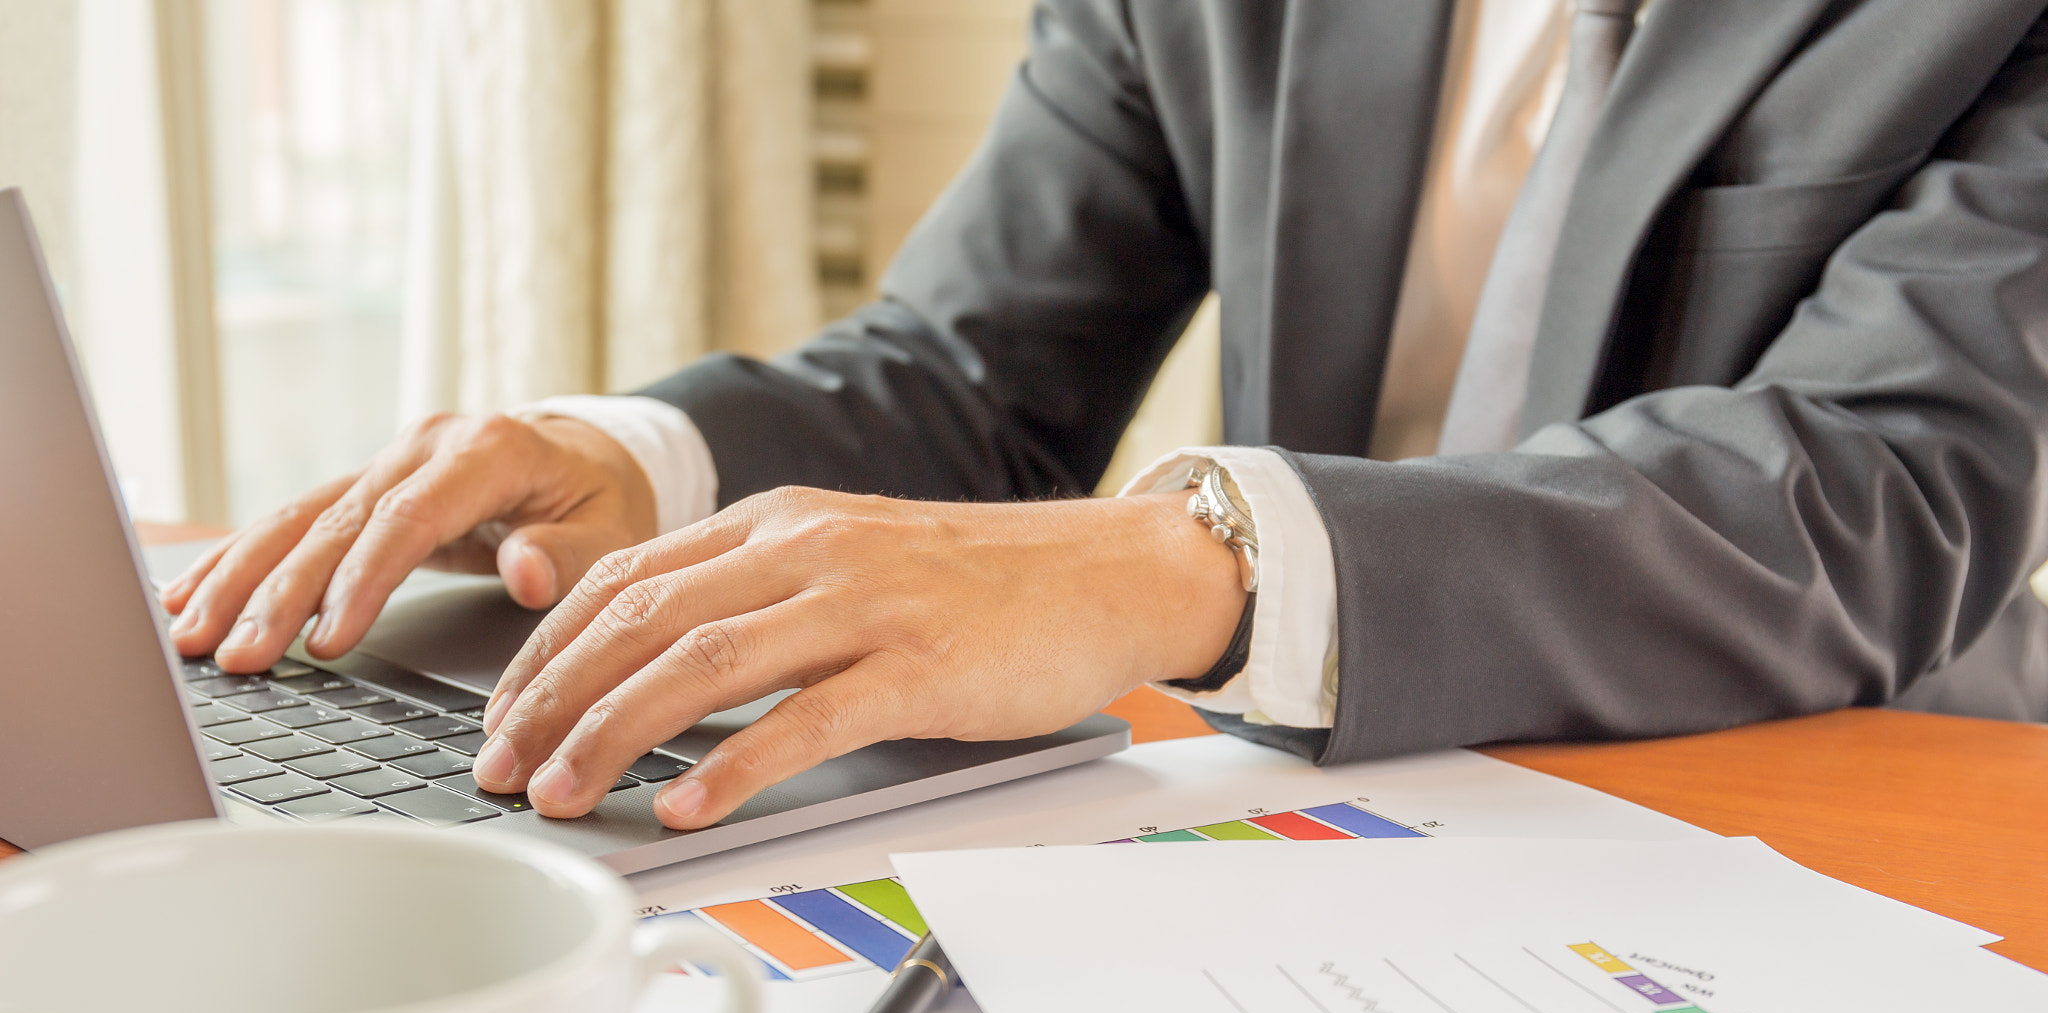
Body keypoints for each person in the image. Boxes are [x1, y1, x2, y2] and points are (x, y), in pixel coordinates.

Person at [161, 0, 2048, 833]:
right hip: (1315, 803)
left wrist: (1185, 555)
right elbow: (981, 373)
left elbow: (1872, 490)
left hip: (1824, 796)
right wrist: (635, 460)